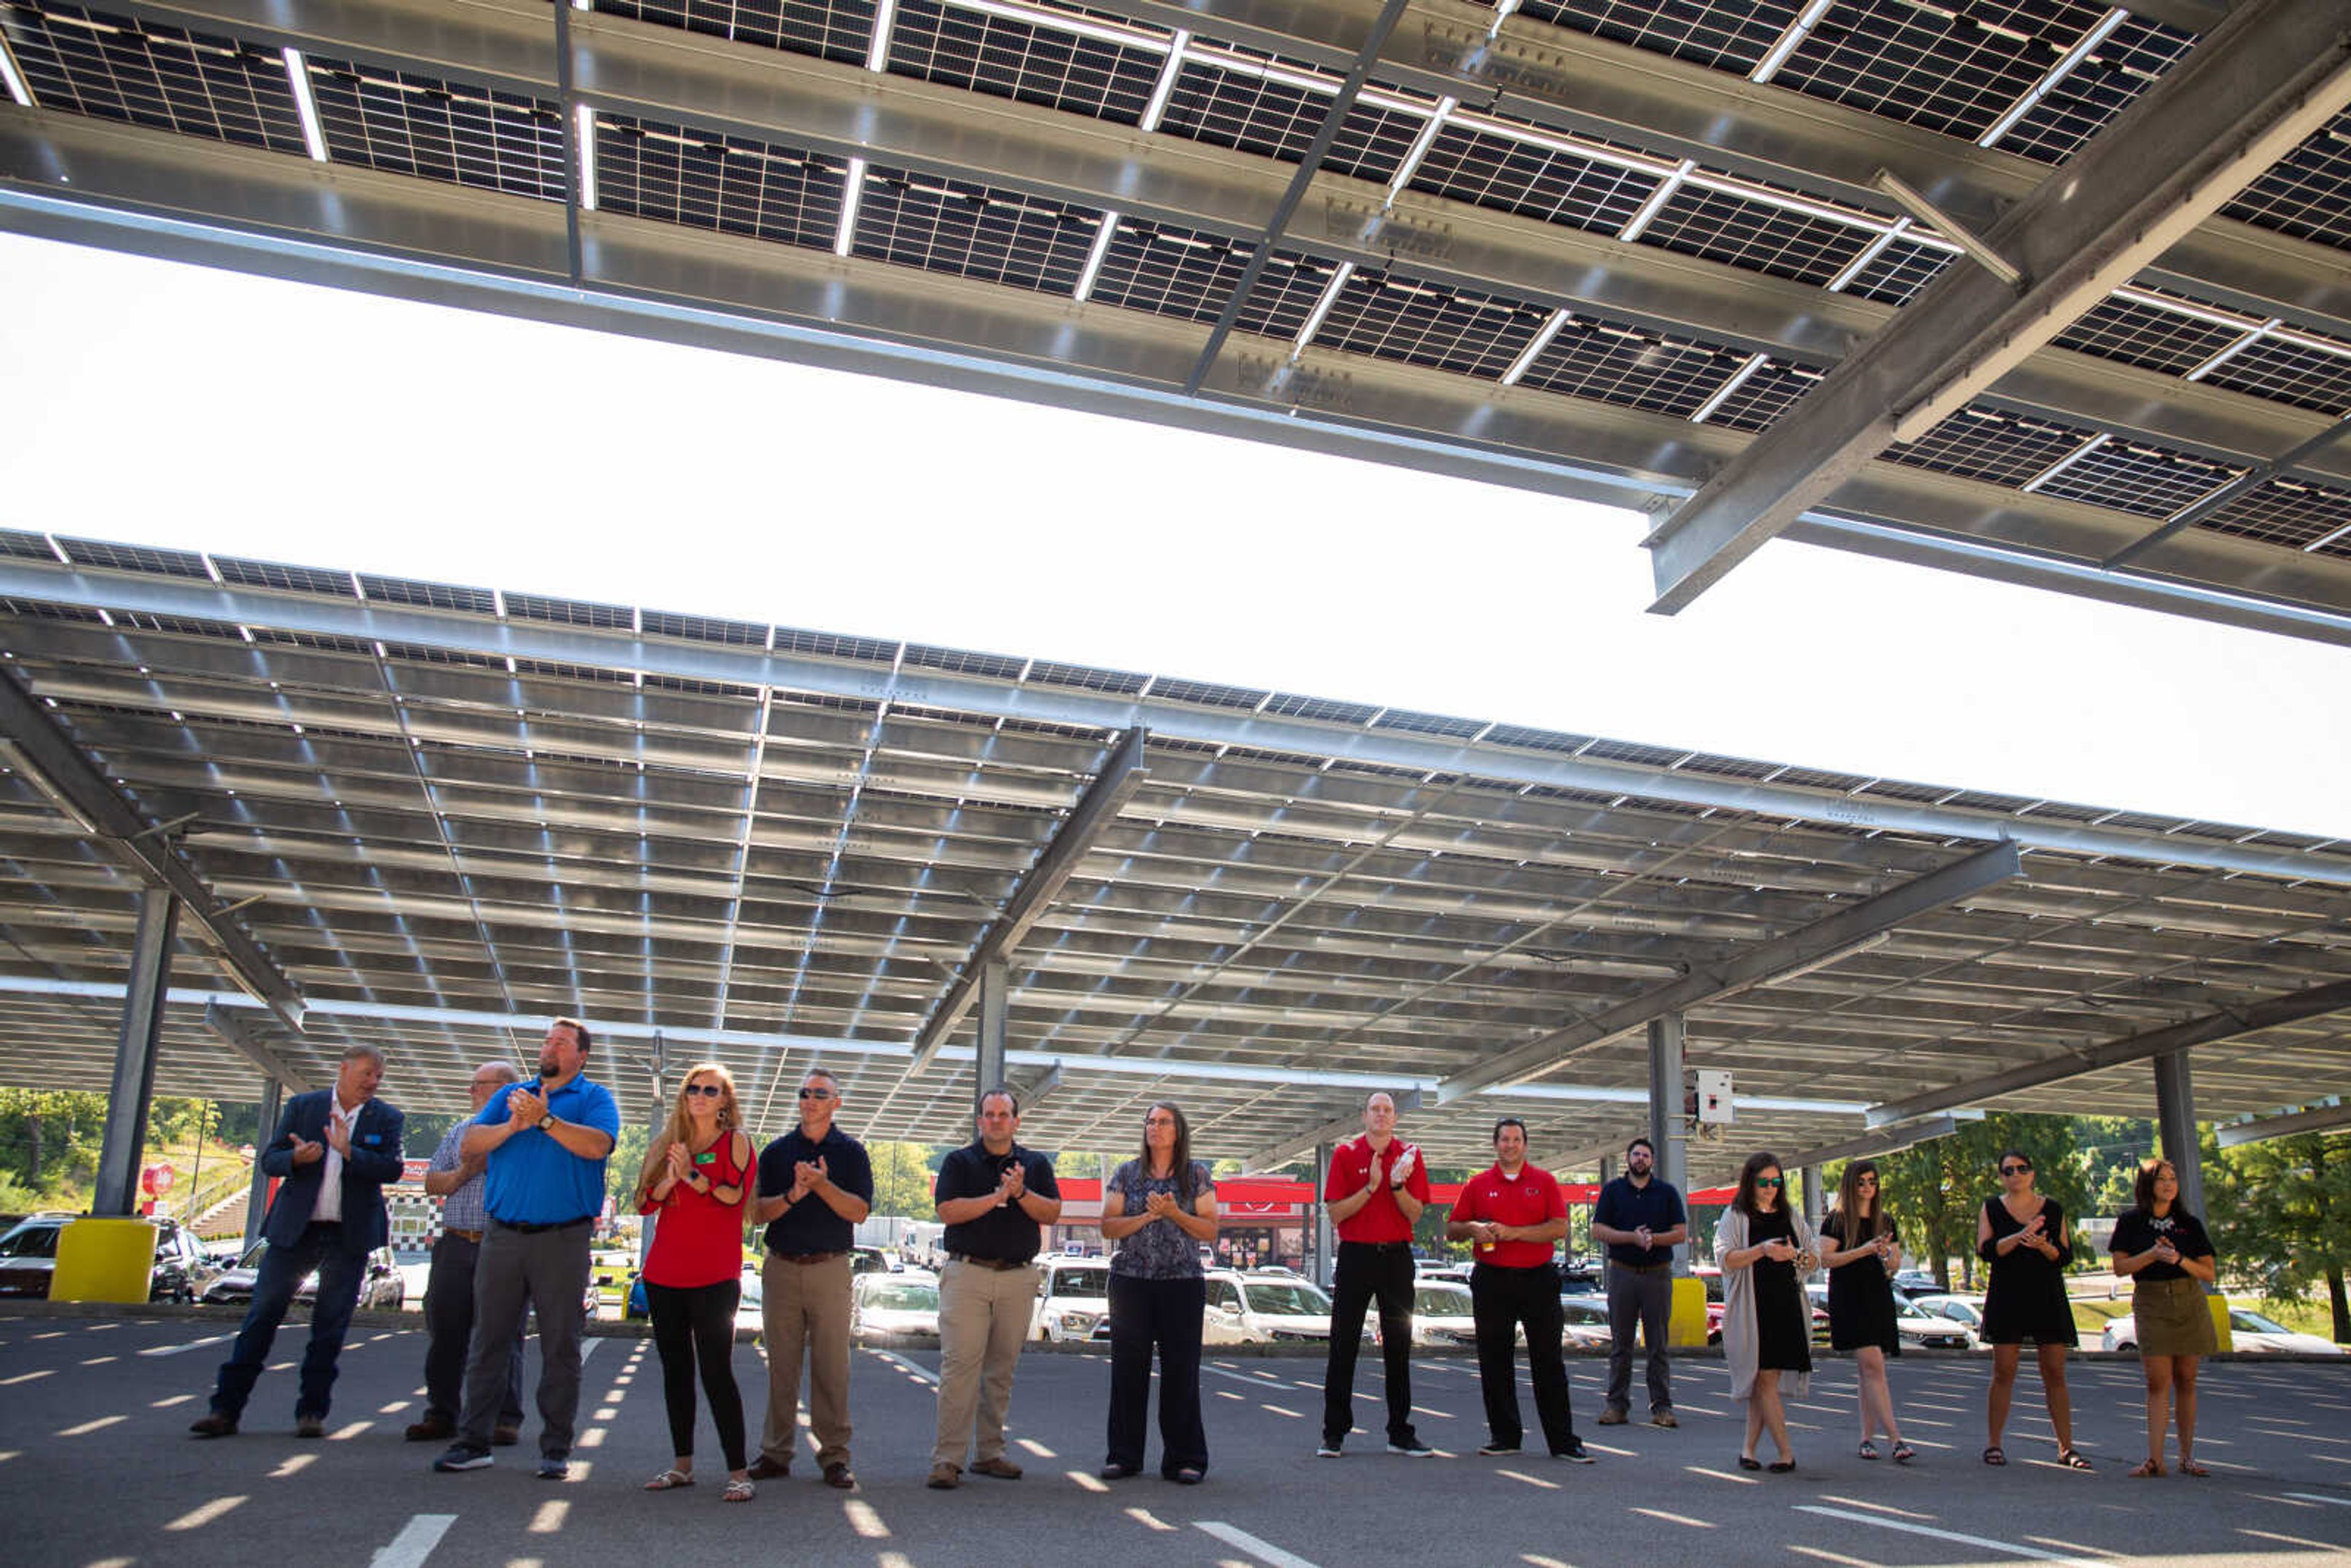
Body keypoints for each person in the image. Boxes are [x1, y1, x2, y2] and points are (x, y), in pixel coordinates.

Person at [433, 1016, 620, 1480]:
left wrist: (548, 1120)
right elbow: (471, 1142)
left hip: (563, 1238)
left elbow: (598, 1145)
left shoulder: (595, 1098)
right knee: (489, 1341)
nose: (550, 1046)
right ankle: (472, 1440)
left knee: (561, 1345)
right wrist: (513, 1125)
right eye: (547, 1040)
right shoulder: (510, 1095)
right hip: (503, 1237)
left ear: (581, 1055)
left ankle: (555, 1448)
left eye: (561, 1041)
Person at [191, 1045, 405, 1438]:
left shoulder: (387, 1118)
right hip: (295, 1233)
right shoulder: (304, 1107)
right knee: (262, 1316)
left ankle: (312, 1414)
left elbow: (392, 1169)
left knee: (330, 1326)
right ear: (344, 1069)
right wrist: (296, 1159)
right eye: (367, 1074)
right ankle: (225, 1411)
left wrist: (349, 1151)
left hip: (348, 1236)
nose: (374, 1082)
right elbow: (269, 1159)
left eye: (379, 1076)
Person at [928, 1086, 1062, 1489]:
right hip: (967, 1274)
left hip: (1018, 1277)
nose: (997, 1120)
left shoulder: (1035, 1165)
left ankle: (990, 1453)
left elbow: (1052, 1212)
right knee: (959, 1368)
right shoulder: (959, 1161)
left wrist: (1020, 1193)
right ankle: (947, 1459)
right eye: (990, 1114)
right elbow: (948, 1211)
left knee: (1000, 1371)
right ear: (980, 1120)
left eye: (1004, 1114)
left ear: (1017, 1121)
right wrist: (997, 1196)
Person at [748, 1067, 873, 1490]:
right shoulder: (777, 1152)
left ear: (836, 1103)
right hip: (782, 1266)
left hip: (830, 1268)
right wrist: (793, 1195)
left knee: (832, 1367)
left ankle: (835, 1457)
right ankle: (775, 1453)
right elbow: (756, 1213)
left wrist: (821, 1185)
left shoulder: (852, 1153)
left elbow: (858, 1211)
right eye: (805, 1092)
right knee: (781, 1365)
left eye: (820, 1093)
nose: (810, 1099)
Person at [637, 1063, 756, 1502]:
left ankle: (739, 1471)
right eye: (693, 1088)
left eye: (711, 1089)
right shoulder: (668, 1143)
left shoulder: (736, 1141)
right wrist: (670, 1177)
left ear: (726, 1099)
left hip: (715, 1275)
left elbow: (734, 1195)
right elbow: (642, 1202)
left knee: (716, 1370)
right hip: (664, 1273)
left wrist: (691, 1175)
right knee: (676, 1371)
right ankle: (682, 1464)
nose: (700, 1095)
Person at [1445, 1118, 1591, 1463]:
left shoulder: (1544, 1182)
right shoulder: (1477, 1184)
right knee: (1495, 1361)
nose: (1510, 1145)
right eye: (1504, 1140)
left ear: (1525, 1145)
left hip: (1538, 1280)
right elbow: (1452, 1229)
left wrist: (1514, 1233)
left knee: (1549, 1362)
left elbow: (1559, 1228)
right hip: (1492, 1280)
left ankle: (1563, 1441)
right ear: (1495, 1145)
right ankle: (1504, 1436)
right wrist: (1473, 1229)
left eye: (1516, 1139)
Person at [407, 1059, 525, 1446]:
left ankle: (504, 1418)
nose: (471, 1091)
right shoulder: (459, 1131)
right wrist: (464, 1173)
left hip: (504, 1243)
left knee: (503, 1335)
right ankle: (441, 1413)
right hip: (456, 1243)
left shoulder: (525, 1135)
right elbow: (431, 1182)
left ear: (505, 1089)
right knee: (445, 1332)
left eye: (479, 1084)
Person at [1100, 1101, 1218, 1484]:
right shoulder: (1126, 1174)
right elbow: (1108, 1226)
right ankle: (1124, 1456)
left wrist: (1173, 1214)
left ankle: (1186, 1458)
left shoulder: (1197, 1175)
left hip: (1182, 1284)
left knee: (1181, 1371)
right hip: (1131, 1283)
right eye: (1150, 1122)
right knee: (1127, 1372)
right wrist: (1147, 1217)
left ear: (1178, 1131)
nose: (1155, 1128)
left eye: (1164, 1122)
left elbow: (1209, 1229)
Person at [1319, 1091, 1433, 1458]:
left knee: (1399, 1347)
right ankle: (1334, 1432)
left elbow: (1415, 1214)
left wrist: (1397, 1185)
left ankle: (1400, 1431)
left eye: (1387, 1111)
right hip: (1355, 1256)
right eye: (1375, 1110)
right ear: (1364, 1116)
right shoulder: (1345, 1155)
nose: (1381, 1116)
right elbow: (1336, 1214)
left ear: (1395, 1118)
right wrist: (1371, 1186)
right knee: (1343, 1344)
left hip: (1397, 1256)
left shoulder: (1410, 1156)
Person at [1978, 1149, 2088, 1469]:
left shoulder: (2052, 1209)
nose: (2016, 1175)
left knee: (2055, 1371)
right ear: (2001, 1177)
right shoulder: (1992, 1208)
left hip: (2046, 1294)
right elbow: (1986, 1250)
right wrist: (2020, 1236)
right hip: (2007, 1295)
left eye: (2022, 1169)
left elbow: (2064, 1255)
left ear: (2033, 1173)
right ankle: (1994, 1444)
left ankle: (2066, 1447)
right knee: (2004, 1371)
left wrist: (2044, 1246)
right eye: (2009, 1171)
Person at [2110, 1157, 2217, 1478]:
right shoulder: (2130, 1222)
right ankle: (2155, 1459)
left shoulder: (2189, 1223)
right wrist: (2153, 1255)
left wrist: (2178, 1258)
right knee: (2158, 1380)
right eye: (2161, 1179)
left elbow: (2208, 1272)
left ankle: (2187, 1456)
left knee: (2187, 1378)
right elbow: (2120, 1267)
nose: (2169, 1185)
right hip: (2152, 1302)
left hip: (2188, 1300)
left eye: (2173, 1179)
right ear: (2147, 1186)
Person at [1714, 1150, 1815, 1474]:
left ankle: (1750, 1450)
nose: (1771, 1188)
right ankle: (1785, 1452)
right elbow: (1726, 1259)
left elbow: (1813, 1257)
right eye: (1764, 1182)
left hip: (1786, 1305)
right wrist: (1762, 1251)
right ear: (1750, 1182)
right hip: (1753, 1308)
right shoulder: (1736, 1215)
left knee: (1765, 1379)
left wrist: (1796, 1256)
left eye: (1776, 1182)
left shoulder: (1791, 1215)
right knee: (1763, 1378)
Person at [1820, 1159, 1914, 1463]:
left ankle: (1866, 1438)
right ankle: (1896, 1438)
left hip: (1877, 1295)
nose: (1867, 1188)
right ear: (1850, 1184)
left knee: (1868, 1371)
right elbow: (1824, 1259)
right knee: (1874, 1366)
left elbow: (1895, 1264)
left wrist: (1887, 1255)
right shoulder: (1836, 1220)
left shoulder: (1885, 1220)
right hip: (1850, 1297)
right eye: (1861, 1182)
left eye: (1872, 1182)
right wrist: (1865, 1249)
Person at [1591, 1135, 1688, 1427]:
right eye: (1636, 1155)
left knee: (1658, 1344)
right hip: (1623, 1273)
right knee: (1621, 1344)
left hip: (1657, 1274)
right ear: (1628, 1160)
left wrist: (1653, 1239)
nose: (1641, 1160)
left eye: (1646, 1156)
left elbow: (1681, 1232)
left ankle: (1662, 1408)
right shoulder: (1613, 1191)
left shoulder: (1666, 1192)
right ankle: (1616, 1406)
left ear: (1653, 1162)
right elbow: (1598, 1230)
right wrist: (1631, 1238)